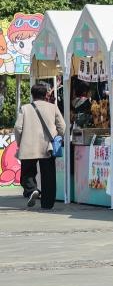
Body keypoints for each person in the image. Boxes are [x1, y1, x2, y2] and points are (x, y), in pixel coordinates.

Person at [15, 81, 66, 209]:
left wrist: (20, 142)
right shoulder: (53, 107)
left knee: (27, 173)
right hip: (48, 146)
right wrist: (57, 137)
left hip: (28, 145)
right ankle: (47, 204)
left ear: (32, 95)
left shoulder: (25, 108)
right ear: (45, 95)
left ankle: (32, 189)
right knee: (48, 175)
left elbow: (18, 128)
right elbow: (63, 126)